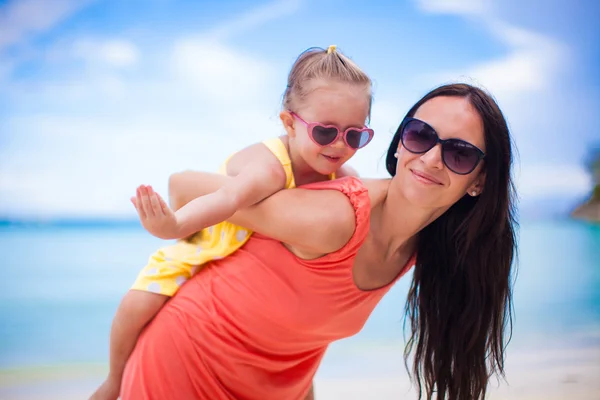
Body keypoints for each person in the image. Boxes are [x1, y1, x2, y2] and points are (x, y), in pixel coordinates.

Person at [122, 83, 517, 400]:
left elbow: (304, 330)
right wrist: (177, 224)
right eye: (420, 135)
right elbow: (183, 185)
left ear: (480, 180)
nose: (431, 158)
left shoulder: (426, 246)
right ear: (399, 143)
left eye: (460, 153)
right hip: (183, 369)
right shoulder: (335, 216)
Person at [90, 45, 374, 400]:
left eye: (355, 135)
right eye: (325, 132)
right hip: (209, 245)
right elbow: (226, 200)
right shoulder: (269, 168)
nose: (339, 145)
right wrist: (174, 227)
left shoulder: (341, 173)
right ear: (289, 122)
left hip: (256, 293)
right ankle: (114, 379)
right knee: (138, 303)